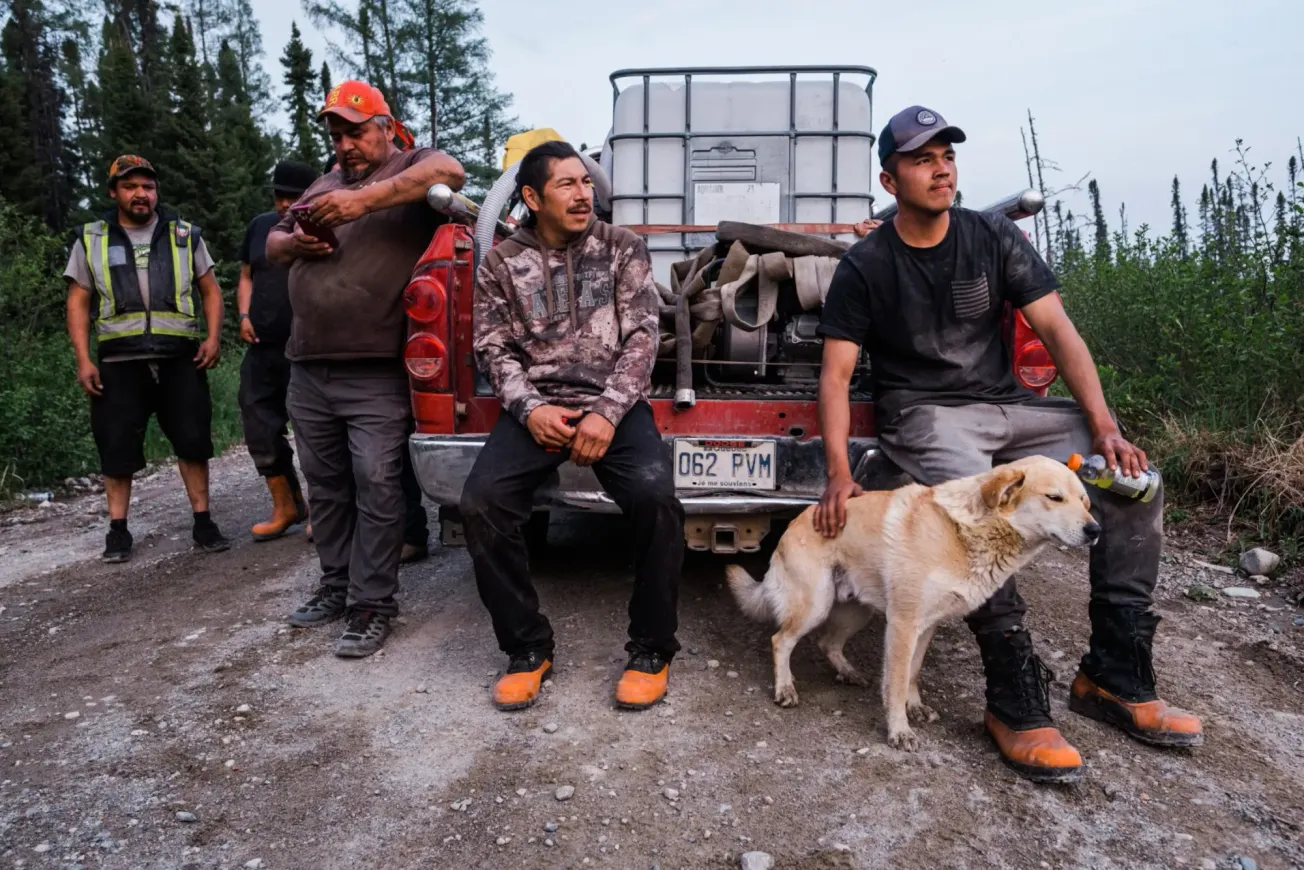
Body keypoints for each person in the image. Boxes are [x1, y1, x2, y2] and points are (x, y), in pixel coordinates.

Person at [814, 106, 1203, 784]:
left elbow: (1058, 332)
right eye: (920, 158)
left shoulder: (991, 236)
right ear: (889, 177)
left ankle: (1113, 675)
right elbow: (837, 375)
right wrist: (841, 472)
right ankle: (1013, 696)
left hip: (1012, 409)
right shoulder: (868, 265)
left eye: (947, 155)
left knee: (1129, 482)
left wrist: (1104, 428)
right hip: (928, 416)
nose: (940, 168)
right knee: (981, 511)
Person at [460, 140, 684, 713]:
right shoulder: (501, 261)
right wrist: (529, 409)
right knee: (482, 504)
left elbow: (643, 337)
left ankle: (652, 649)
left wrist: (607, 413)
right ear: (532, 197)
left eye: (585, 183)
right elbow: (493, 346)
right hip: (537, 404)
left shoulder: (621, 248)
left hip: (613, 402)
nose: (583, 194)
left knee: (656, 498)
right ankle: (527, 648)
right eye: (566, 185)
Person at [266, 81, 465, 658]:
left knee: (377, 484)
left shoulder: (413, 168)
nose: (346, 144)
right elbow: (275, 240)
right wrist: (294, 245)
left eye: (356, 131)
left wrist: (363, 200)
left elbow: (452, 173)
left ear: (385, 126)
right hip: (307, 366)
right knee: (325, 486)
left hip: (375, 369)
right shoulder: (323, 182)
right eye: (337, 134)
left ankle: (372, 604)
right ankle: (336, 586)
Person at [64, 155, 230, 563]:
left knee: (193, 442)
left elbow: (210, 290)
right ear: (113, 192)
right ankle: (118, 532)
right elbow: (78, 300)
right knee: (116, 447)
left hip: (180, 358)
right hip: (118, 363)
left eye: (148, 186)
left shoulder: (184, 234)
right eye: (130, 186)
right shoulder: (92, 238)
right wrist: (83, 359)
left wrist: (212, 337)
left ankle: (203, 522)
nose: (141, 194)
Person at [321, 150, 431, 563]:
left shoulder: (407, 197)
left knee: (386, 462)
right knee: (351, 466)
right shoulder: (329, 197)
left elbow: (447, 173)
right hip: (326, 361)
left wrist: (363, 199)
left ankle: (409, 533)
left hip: (388, 357)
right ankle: (364, 547)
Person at [237, 160, 320, 541]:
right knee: (258, 425)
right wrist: (242, 314)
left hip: (306, 346)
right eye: (280, 196)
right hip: (261, 345)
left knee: (313, 432)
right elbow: (246, 275)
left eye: (293, 197)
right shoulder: (259, 226)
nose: (285, 204)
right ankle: (286, 505)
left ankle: (322, 511)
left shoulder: (323, 228)